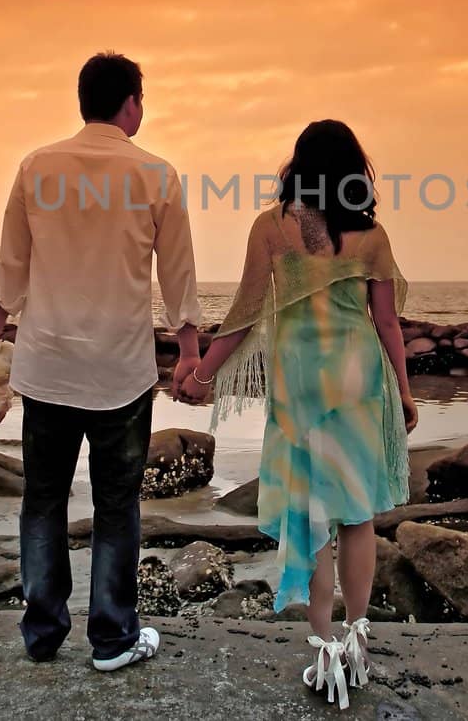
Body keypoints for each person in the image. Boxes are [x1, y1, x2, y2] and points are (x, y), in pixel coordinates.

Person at [0, 52, 200, 673]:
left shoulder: (37, 166)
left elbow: (9, 270)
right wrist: (191, 351)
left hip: (47, 367)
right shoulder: (157, 174)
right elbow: (178, 275)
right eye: (141, 100)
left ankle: (43, 635)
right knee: (117, 505)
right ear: (130, 103)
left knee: (42, 500)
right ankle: (113, 639)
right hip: (120, 371)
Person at [176, 120, 415, 711]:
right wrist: (405, 393)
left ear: (299, 167)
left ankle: (325, 650)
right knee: (358, 514)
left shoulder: (272, 227)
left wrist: (202, 374)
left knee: (312, 516)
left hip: (300, 381)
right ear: (355, 172)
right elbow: (387, 322)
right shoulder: (371, 234)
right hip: (357, 377)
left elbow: (244, 313)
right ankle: (357, 643)